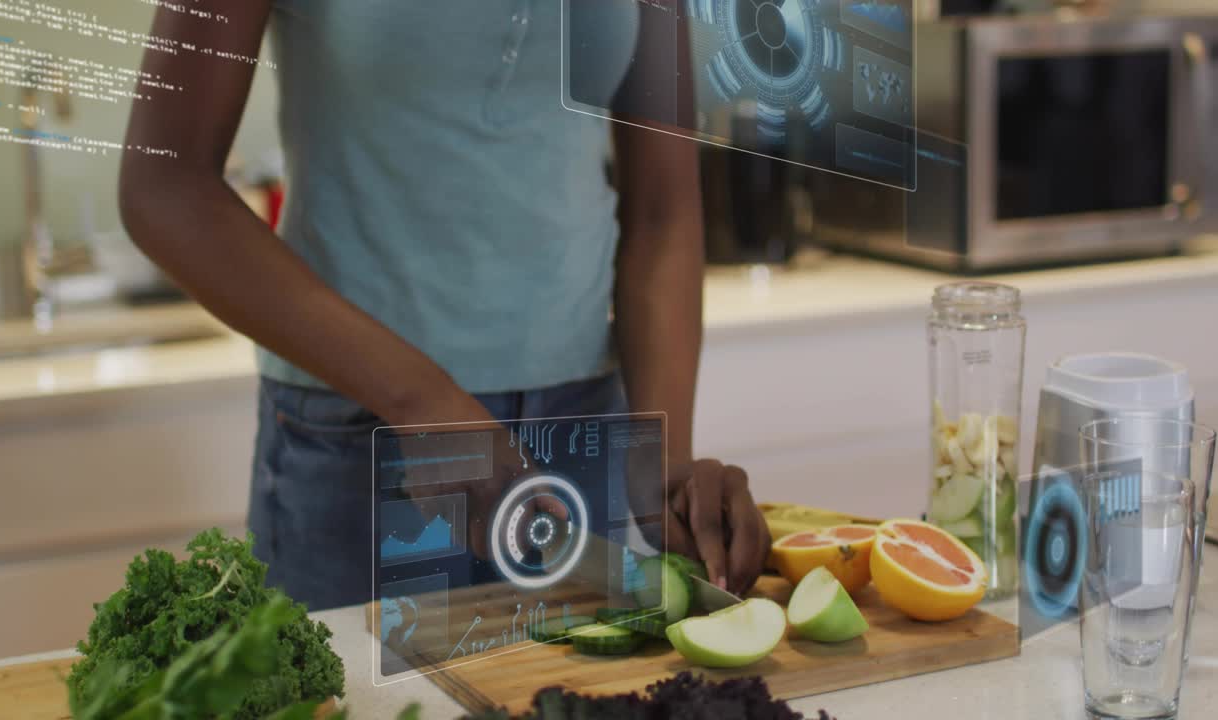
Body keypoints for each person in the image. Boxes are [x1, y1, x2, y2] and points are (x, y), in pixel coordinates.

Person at [119, 0, 770, 611]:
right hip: (363, 434)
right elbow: (165, 185)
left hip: (581, 432)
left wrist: (664, 457)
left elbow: (663, 212)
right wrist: (423, 400)